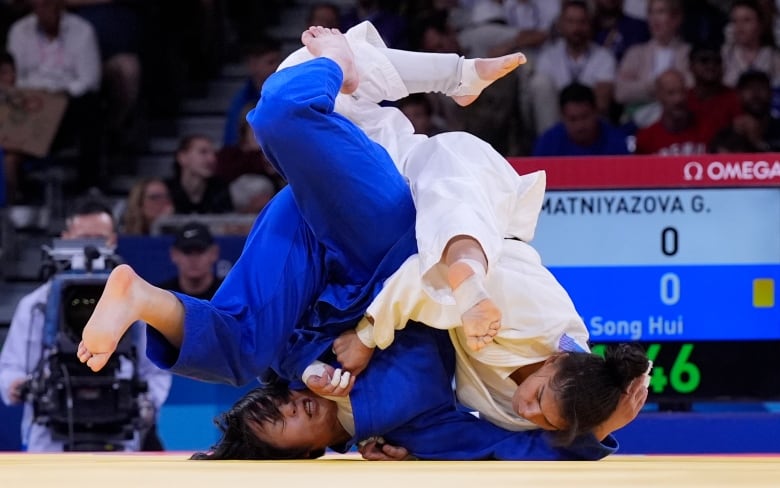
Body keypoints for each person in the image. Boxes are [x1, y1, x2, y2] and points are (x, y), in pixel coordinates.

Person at [77, 24, 647, 456]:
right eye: (288, 417)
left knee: (238, 351)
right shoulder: (540, 330)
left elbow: (537, 436)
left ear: (311, 456)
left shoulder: (304, 374)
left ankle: (139, 296)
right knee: (284, 111)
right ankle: (432, 73)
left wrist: (309, 371)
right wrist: (379, 335)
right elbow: (434, 273)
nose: (529, 410)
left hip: (319, 243)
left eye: (274, 410)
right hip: (396, 235)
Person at [0, 199, 171, 451]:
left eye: (99, 238)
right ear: (66, 238)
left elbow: (156, 368)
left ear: (113, 240)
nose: (90, 247)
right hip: (50, 440)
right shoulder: (36, 304)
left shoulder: (135, 303)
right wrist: (16, 385)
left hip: (120, 436)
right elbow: (11, 367)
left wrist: (147, 403)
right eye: (82, 238)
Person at [6, 0, 104, 191]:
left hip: (69, 101)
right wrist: (37, 93)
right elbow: (15, 76)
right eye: (39, 4)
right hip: (29, 101)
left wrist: (61, 94)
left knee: (90, 106)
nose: (43, 9)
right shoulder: (19, 31)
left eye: (48, 4)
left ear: (60, 5)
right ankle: (18, 189)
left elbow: (89, 79)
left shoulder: (82, 31)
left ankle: (88, 184)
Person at [532, 82, 631, 156]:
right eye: (573, 119)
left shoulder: (616, 141)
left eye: (585, 117)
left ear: (595, 112)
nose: (580, 125)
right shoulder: (548, 143)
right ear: (562, 116)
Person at [166, 134, 234, 214]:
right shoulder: (166, 190)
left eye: (214, 154)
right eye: (203, 152)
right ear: (182, 157)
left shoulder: (220, 188)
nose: (212, 159)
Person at [158, 221, 223, 300]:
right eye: (187, 252)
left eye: (200, 251)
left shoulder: (227, 295)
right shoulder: (162, 297)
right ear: (174, 254)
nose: (193, 259)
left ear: (214, 253)